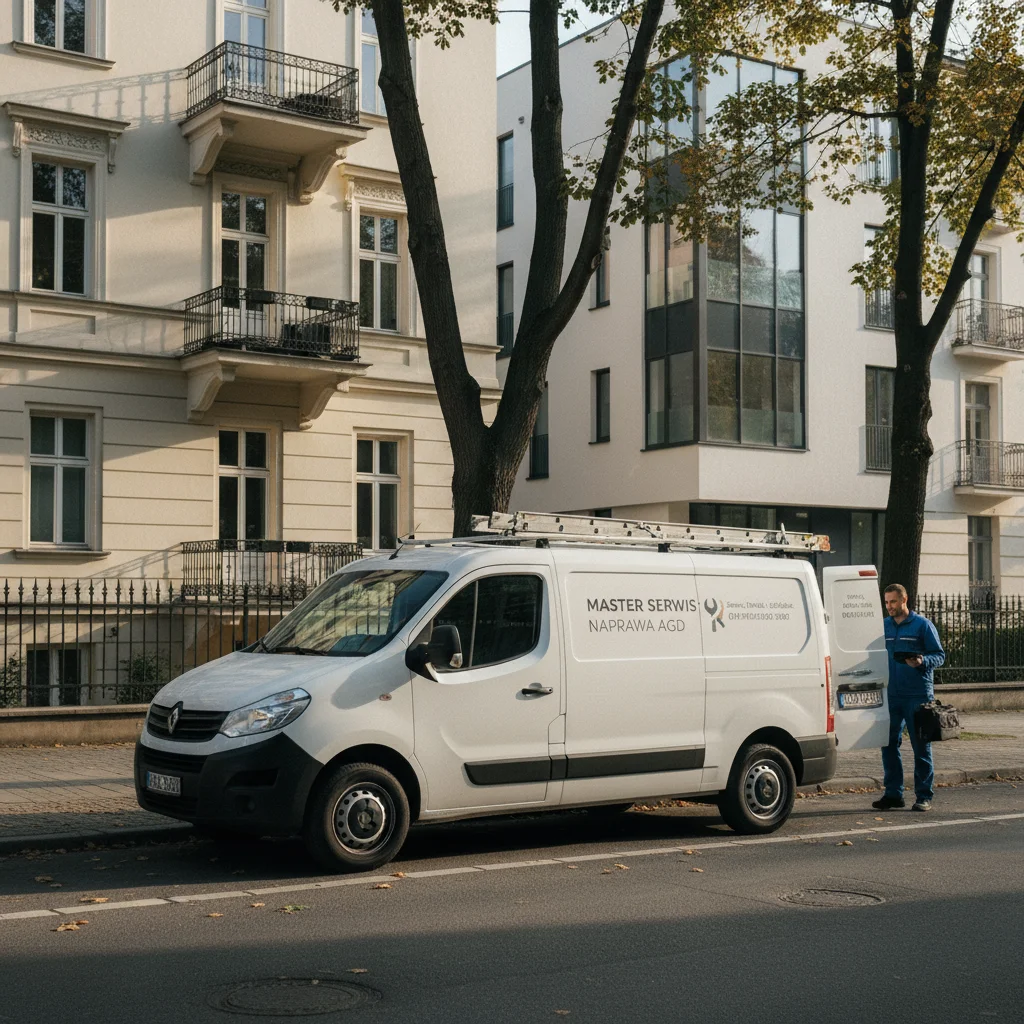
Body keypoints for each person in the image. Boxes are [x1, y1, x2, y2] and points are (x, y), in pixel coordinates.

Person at [872, 584, 945, 812]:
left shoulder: (922, 625)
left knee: (921, 747)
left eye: (893, 601)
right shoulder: (883, 626)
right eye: (886, 602)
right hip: (891, 695)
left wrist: (922, 661)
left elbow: (939, 655)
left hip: (918, 695)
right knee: (888, 744)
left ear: (904, 600)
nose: (889, 606)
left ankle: (924, 796)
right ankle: (893, 794)